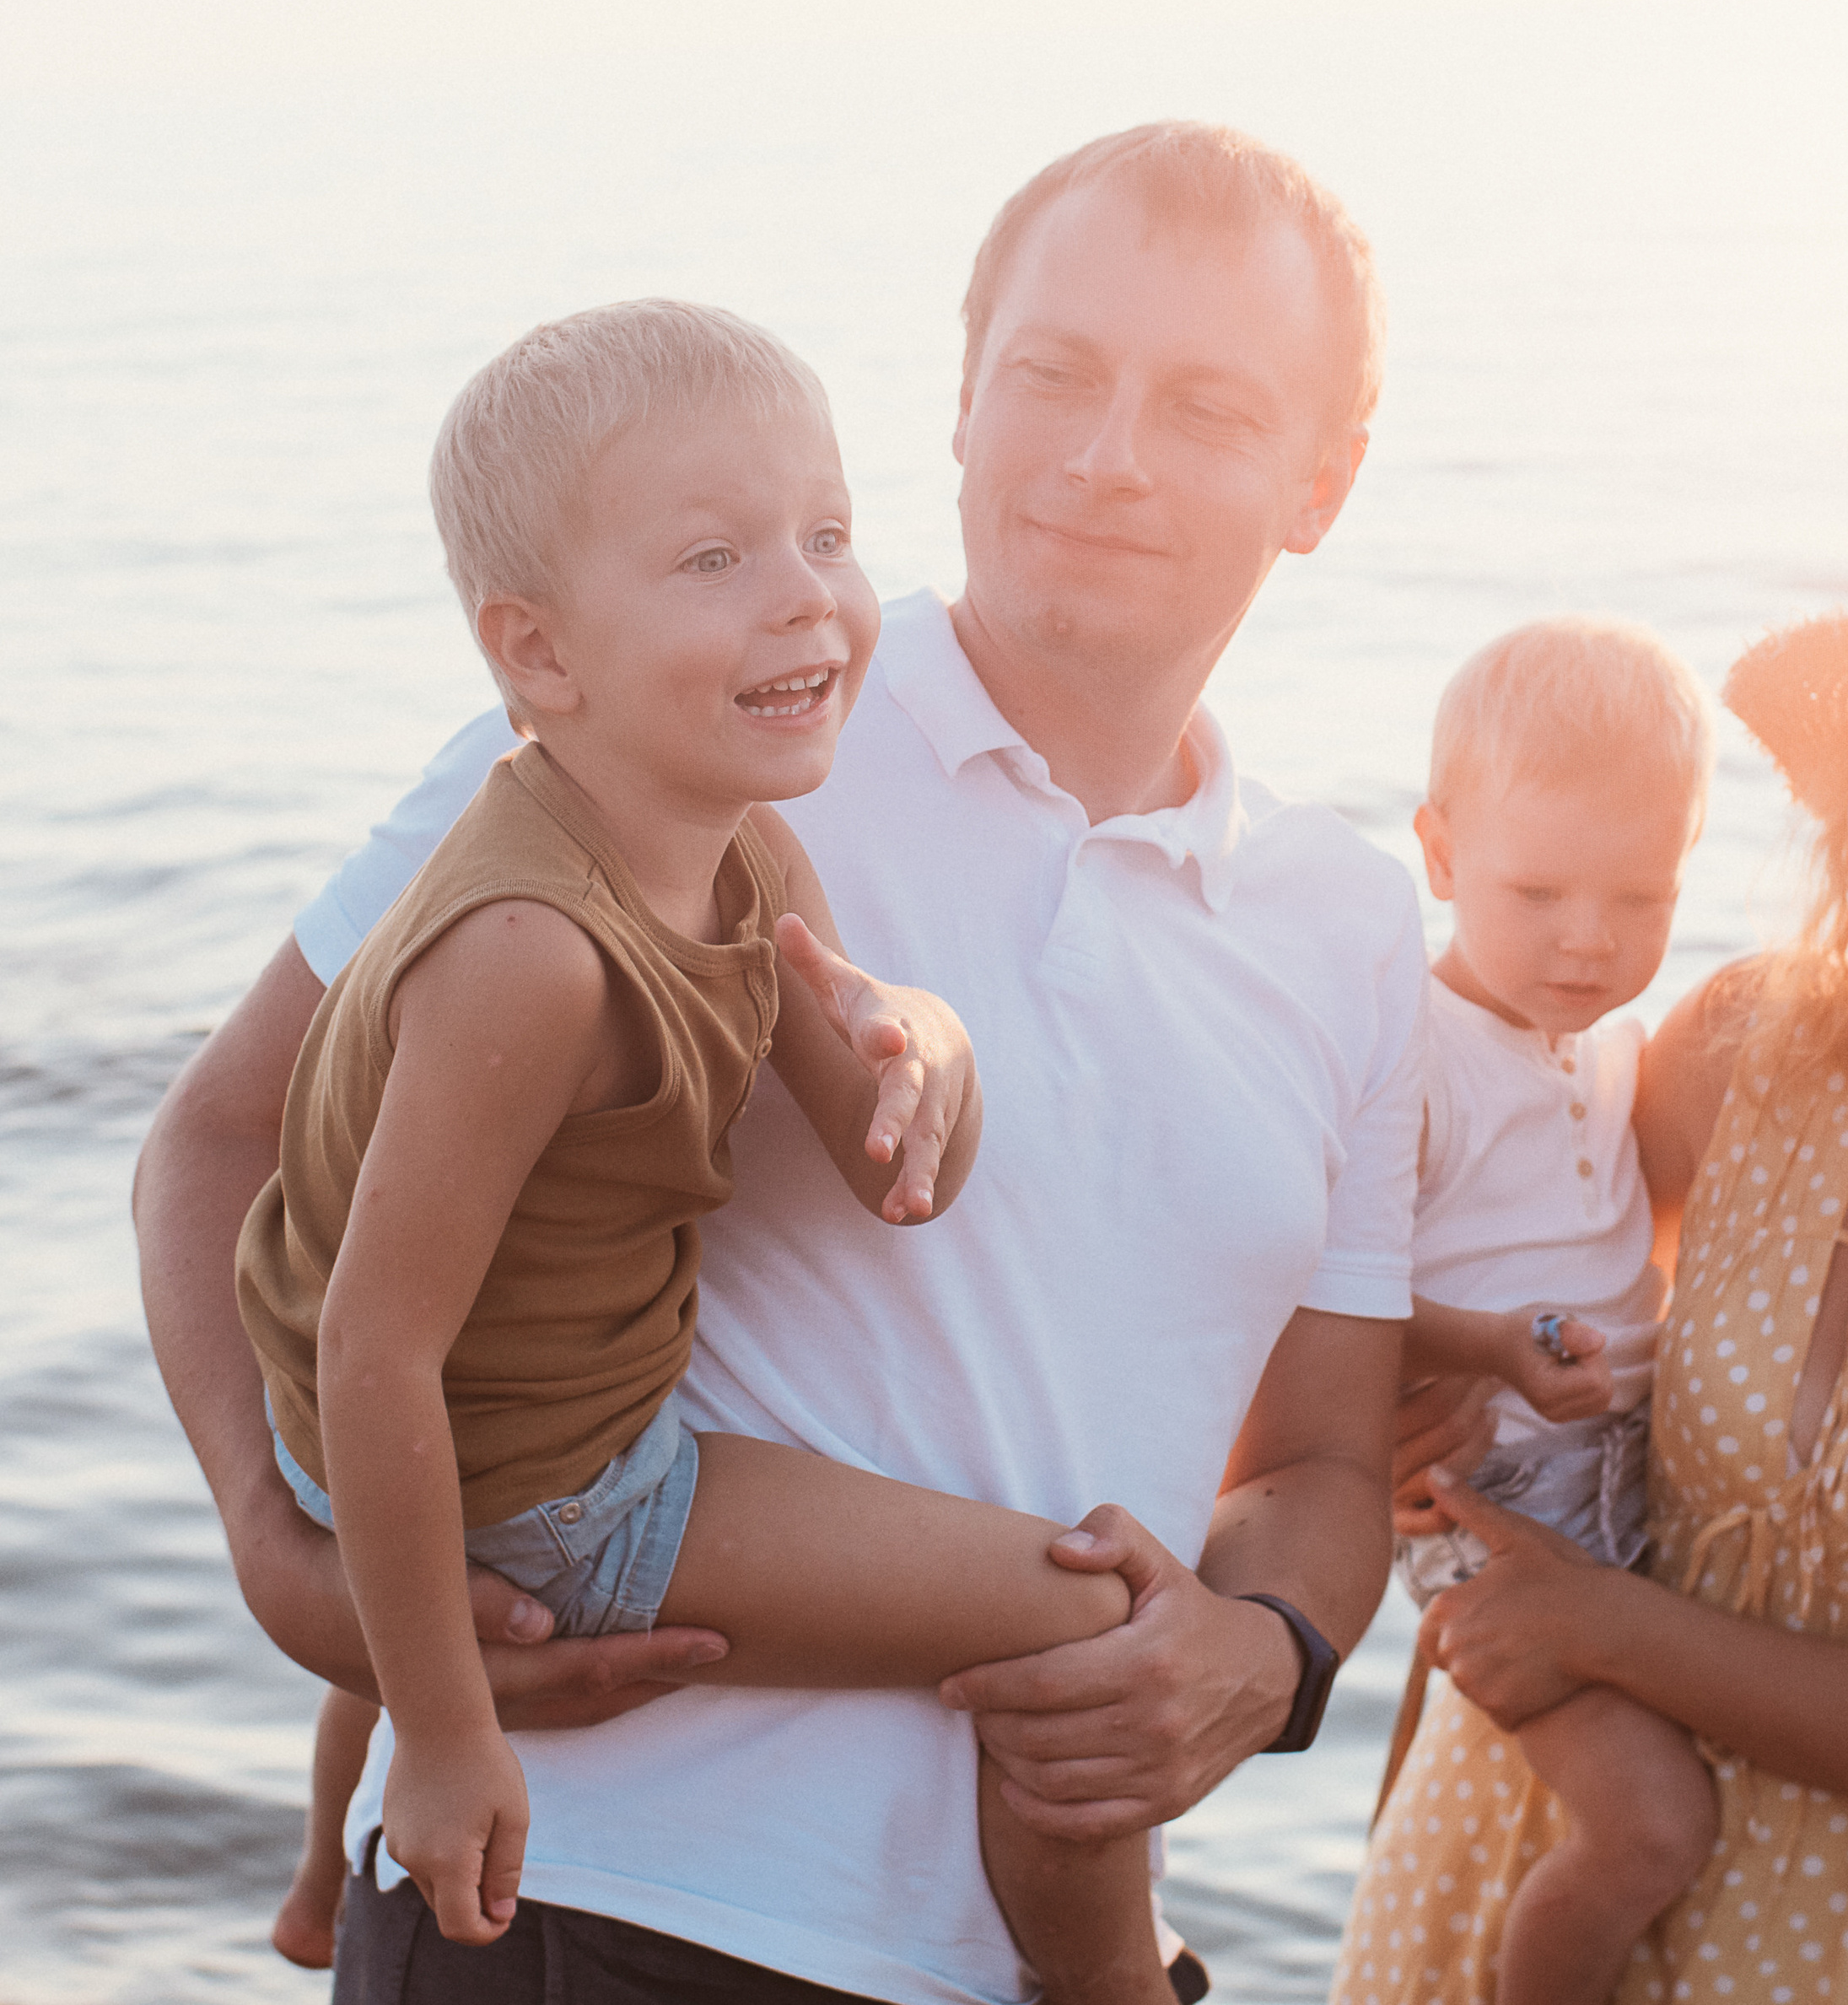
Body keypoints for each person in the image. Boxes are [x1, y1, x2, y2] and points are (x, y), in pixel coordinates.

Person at [134, 121, 1429, 2004]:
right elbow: (222, 1140)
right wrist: (279, 1548)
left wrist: (1263, 1646)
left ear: (1321, 482)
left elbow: (1319, 1454)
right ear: (963, 400)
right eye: (1052, 374)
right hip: (583, 1906)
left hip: (1003, 1959)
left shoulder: (1351, 925)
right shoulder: (683, 717)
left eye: (1204, 407)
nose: (1102, 454)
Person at [240, 294, 1201, 1998]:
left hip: (433, 1410)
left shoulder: (741, 840)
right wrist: (452, 1737)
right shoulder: (529, 954)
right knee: (1082, 1617)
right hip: (534, 1477)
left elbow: (896, 1170)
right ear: (539, 653)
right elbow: (377, 1351)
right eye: (710, 559)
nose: (804, 590)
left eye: (824, 533)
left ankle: (319, 1876)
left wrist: (927, 1040)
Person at [1335, 527, 1848, 2005]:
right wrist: (1413, 1441)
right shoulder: (1741, 1058)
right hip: (1514, 1870)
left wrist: (1600, 1625)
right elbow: (1527, 1341)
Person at [1378, 618, 1721, 2005]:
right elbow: (1322, 1297)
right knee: (1654, 1827)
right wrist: (1483, 1346)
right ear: (1444, 854)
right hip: (1493, 1514)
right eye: (1538, 893)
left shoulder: (1615, 1048)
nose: (1590, 942)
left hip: (1628, 1489)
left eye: (1641, 901)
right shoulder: (1411, 1057)